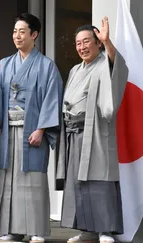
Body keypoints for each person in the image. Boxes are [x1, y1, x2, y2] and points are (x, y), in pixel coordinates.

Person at [0, 13, 63, 243]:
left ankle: (36, 229)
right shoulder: (4, 64)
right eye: (15, 31)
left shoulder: (47, 66)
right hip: (10, 130)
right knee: (10, 180)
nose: (16, 36)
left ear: (34, 34)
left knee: (33, 180)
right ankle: (13, 230)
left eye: (22, 31)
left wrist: (41, 130)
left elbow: (52, 98)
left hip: (33, 131)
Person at [56, 17, 128, 243]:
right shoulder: (76, 70)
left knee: (99, 180)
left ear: (97, 43)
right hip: (73, 134)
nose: (82, 47)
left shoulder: (104, 63)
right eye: (78, 43)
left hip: (94, 131)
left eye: (87, 41)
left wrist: (109, 44)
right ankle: (87, 230)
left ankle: (105, 230)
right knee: (78, 183)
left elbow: (118, 68)